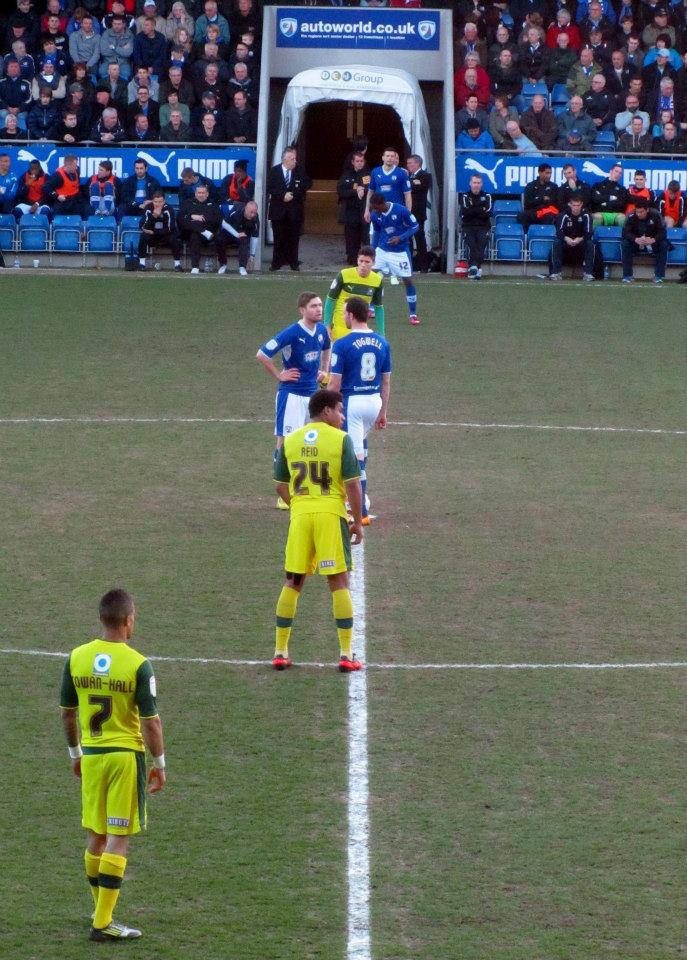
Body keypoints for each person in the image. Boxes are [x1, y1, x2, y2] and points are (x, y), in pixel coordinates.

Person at [59, 588, 166, 943]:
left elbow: (68, 714)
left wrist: (75, 754)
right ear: (128, 619)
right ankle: (103, 922)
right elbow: (151, 723)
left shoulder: (76, 657)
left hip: (91, 757)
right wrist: (160, 763)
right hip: (124, 758)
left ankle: (100, 911)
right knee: (118, 839)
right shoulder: (138, 664)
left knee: (96, 836)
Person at [271, 388, 363, 673]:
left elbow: (280, 485)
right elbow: (353, 484)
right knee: (339, 582)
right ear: (326, 411)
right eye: (340, 410)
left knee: (293, 582)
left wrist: (299, 505)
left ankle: (280, 652)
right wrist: (357, 520)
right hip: (330, 517)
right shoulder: (341, 439)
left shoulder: (291, 441)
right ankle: (346, 654)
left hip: (300, 519)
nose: (342, 417)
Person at [329, 296, 391, 526]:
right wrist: (383, 412)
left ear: (351, 315)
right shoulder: (382, 342)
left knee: (354, 459)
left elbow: (335, 383)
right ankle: (358, 499)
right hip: (374, 402)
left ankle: (360, 511)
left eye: (344, 312)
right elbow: (386, 381)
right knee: (360, 447)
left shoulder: (342, 344)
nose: (342, 316)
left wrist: (325, 406)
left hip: (352, 403)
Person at [256, 291, 332, 460]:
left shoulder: (321, 330)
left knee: (310, 443)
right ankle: (280, 474)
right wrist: (279, 375)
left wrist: (324, 370)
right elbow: (262, 354)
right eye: (313, 306)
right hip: (291, 396)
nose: (319, 309)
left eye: (320, 305)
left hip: (312, 396)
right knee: (286, 443)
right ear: (302, 310)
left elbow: (327, 347)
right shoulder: (291, 333)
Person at [369, 192, 420, 326]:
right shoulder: (375, 214)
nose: (375, 211)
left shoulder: (401, 210)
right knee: (369, 275)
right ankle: (371, 307)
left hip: (400, 252)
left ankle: (413, 314)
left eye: (377, 208)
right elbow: (377, 231)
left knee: (408, 281)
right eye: (374, 208)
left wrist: (400, 238)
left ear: (382, 204)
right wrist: (373, 250)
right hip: (382, 250)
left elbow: (415, 226)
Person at [324, 245, 385, 341]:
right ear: (357, 260)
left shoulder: (377, 280)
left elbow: (378, 307)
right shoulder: (344, 275)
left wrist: (381, 333)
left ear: (373, 263)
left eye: (367, 262)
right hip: (341, 327)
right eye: (361, 261)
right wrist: (326, 325)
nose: (363, 265)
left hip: (361, 329)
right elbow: (330, 300)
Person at [266, 146, 312, 272]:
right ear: (285, 160)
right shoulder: (274, 171)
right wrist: (282, 195)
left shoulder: (299, 170)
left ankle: (293, 262)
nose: (294, 161)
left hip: (294, 211)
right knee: (278, 238)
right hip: (278, 211)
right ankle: (276, 263)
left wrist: (293, 194)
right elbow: (270, 187)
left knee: (293, 238)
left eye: (295, 158)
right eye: (292, 159)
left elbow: (307, 183)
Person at [539, 196, 596, 281]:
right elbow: (559, 232)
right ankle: (556, 273)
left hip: (580, 241)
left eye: (578, 205)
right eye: (574, 205)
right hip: (567, 241)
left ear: (581, 205)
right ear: (570, 205)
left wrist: (580, 239)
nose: (576, 208)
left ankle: (588, 274)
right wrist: (566, 238)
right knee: (557, 243)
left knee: (590, 244)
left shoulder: (586, 215)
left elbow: (589, 232)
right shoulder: (564, 215)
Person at [621, 198, 668, 284]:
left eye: (641, 212)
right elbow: (625, 233)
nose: (638, 214)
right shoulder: (631, 216)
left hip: (652, 243)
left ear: (647, 210)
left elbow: (663, 233)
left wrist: (653, 240)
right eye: (637, 211)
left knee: (664, 244)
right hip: (636, 243)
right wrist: (635, 239)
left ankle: (658, 276)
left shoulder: (656, 215)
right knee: (625, 244)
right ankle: (627, 275)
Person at [337, 150, 371, 267]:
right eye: (357, 161)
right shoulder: (346, 175)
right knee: (351, 236)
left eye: (361, 161)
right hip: (350, 211)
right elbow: (341, 191)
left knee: (366, 237)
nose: (359, 163)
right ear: (353, 162)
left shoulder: (369, 174)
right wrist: (355, 191)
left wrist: (364, 190)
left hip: (365, 210)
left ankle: (367, 260)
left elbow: (373, 190)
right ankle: (352, 259)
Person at [178, 181, 221, 274]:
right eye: (199, 193)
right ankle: (195, 267)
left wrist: (198, 220)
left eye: (203, 193)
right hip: (190, 234)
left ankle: (195, 267)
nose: (201, 195)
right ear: (195, 193)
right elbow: (180, 219)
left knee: (195, 228)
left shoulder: (213, 204)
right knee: (193, 233)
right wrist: (191, 216)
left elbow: (217, 220)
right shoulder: (187, 203)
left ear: (207, 194)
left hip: (210, 234)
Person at [138, 190, 183, 271]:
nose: (158, 204)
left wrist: (154, 231)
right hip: (152, 237)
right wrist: (154, 216)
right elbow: (143, 226)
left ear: (164, 201)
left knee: (175, 238)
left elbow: (170, 228)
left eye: (160, 202)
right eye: (156, 202)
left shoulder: (168, 209)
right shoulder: (148, 208)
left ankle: (177, 264)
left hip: (165, 236)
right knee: (143, 236)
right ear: (152, 201)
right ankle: (142, 264)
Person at [363, 148, 411, 224]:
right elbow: (370, 192)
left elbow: (407, 195)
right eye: (387, 156)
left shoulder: (402, 173)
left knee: (395, 231)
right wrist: (367, 210)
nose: (390, 158)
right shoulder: (375, 171)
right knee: (376, 231)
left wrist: (408, 214)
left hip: (396, 211)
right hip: (378, 210)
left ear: (395, 158)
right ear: (383, 158)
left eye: (392, 156)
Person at [459, 173, 493, 280]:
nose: (476, 185)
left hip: (484, 226)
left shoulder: (487, 196)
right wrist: (480, 209)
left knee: (481, 246)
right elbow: (465, 212)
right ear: (470, 183)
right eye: (474, 183)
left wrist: (472, 209)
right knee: (472, 245)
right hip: (468, 226)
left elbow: (488, 212)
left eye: (478, 183)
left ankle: (474, 268)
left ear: (481, 184)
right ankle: (475, 268)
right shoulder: (465, 196)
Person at [217, 199, 259, 276]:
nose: (253, 215)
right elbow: (224, 223)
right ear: (246, 209)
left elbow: (255, 236)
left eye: (255, 212)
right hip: (230, 233)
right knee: (219, 239)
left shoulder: (255, 218)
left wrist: (252, 255)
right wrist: (237, 234)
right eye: (251, 212)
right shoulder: (236, 212)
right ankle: (223, 264)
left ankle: (242, 267)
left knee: (244, 240)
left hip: (243, 236)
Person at [406, 154, 431, 273]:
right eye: (408, 163)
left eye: (410, 163)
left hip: (418, 213)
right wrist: (411, 183)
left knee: (420, 238)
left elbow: (419, 187)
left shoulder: (425, 175)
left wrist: (410, 183)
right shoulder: (408, 176)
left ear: (417, 163)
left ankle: (424, 266)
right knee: (408, 239)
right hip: (407, 212)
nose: (408, 165)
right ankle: (409, 265)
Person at [42, 153, 87, 218]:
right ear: (68, 165)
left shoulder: (77, 170)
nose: (76, 167)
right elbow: (46, 187)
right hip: (64, 202)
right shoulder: (58, 176)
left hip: (76, 201)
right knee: (58, 220)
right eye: (75, 165)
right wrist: (57, 196)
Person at [518, 163, 560, 230]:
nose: (549, 175)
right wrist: (542, 199)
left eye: (550, 173)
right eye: (547, 173)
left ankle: (546, 235)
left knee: (550, 217)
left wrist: (538, 201)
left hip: (547, 212)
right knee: (522, 215)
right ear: (540, 172)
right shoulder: (530, 186)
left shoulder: (554, 186)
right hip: (533, 212)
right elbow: (528, 203)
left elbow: (555, 202)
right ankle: (525, 235)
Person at [591, 162, 628, 226]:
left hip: (616, 214)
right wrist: (610, 198)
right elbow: (595, 199)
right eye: (616, 171)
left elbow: (621, 203)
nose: (618, 174)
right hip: (600, 213)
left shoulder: (622, 189)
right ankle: (592, 233)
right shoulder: (598, 185)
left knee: (622, 218)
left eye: (620, 173)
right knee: (597, 217)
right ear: (611, 171)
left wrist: (604, 202)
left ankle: (625, 233)